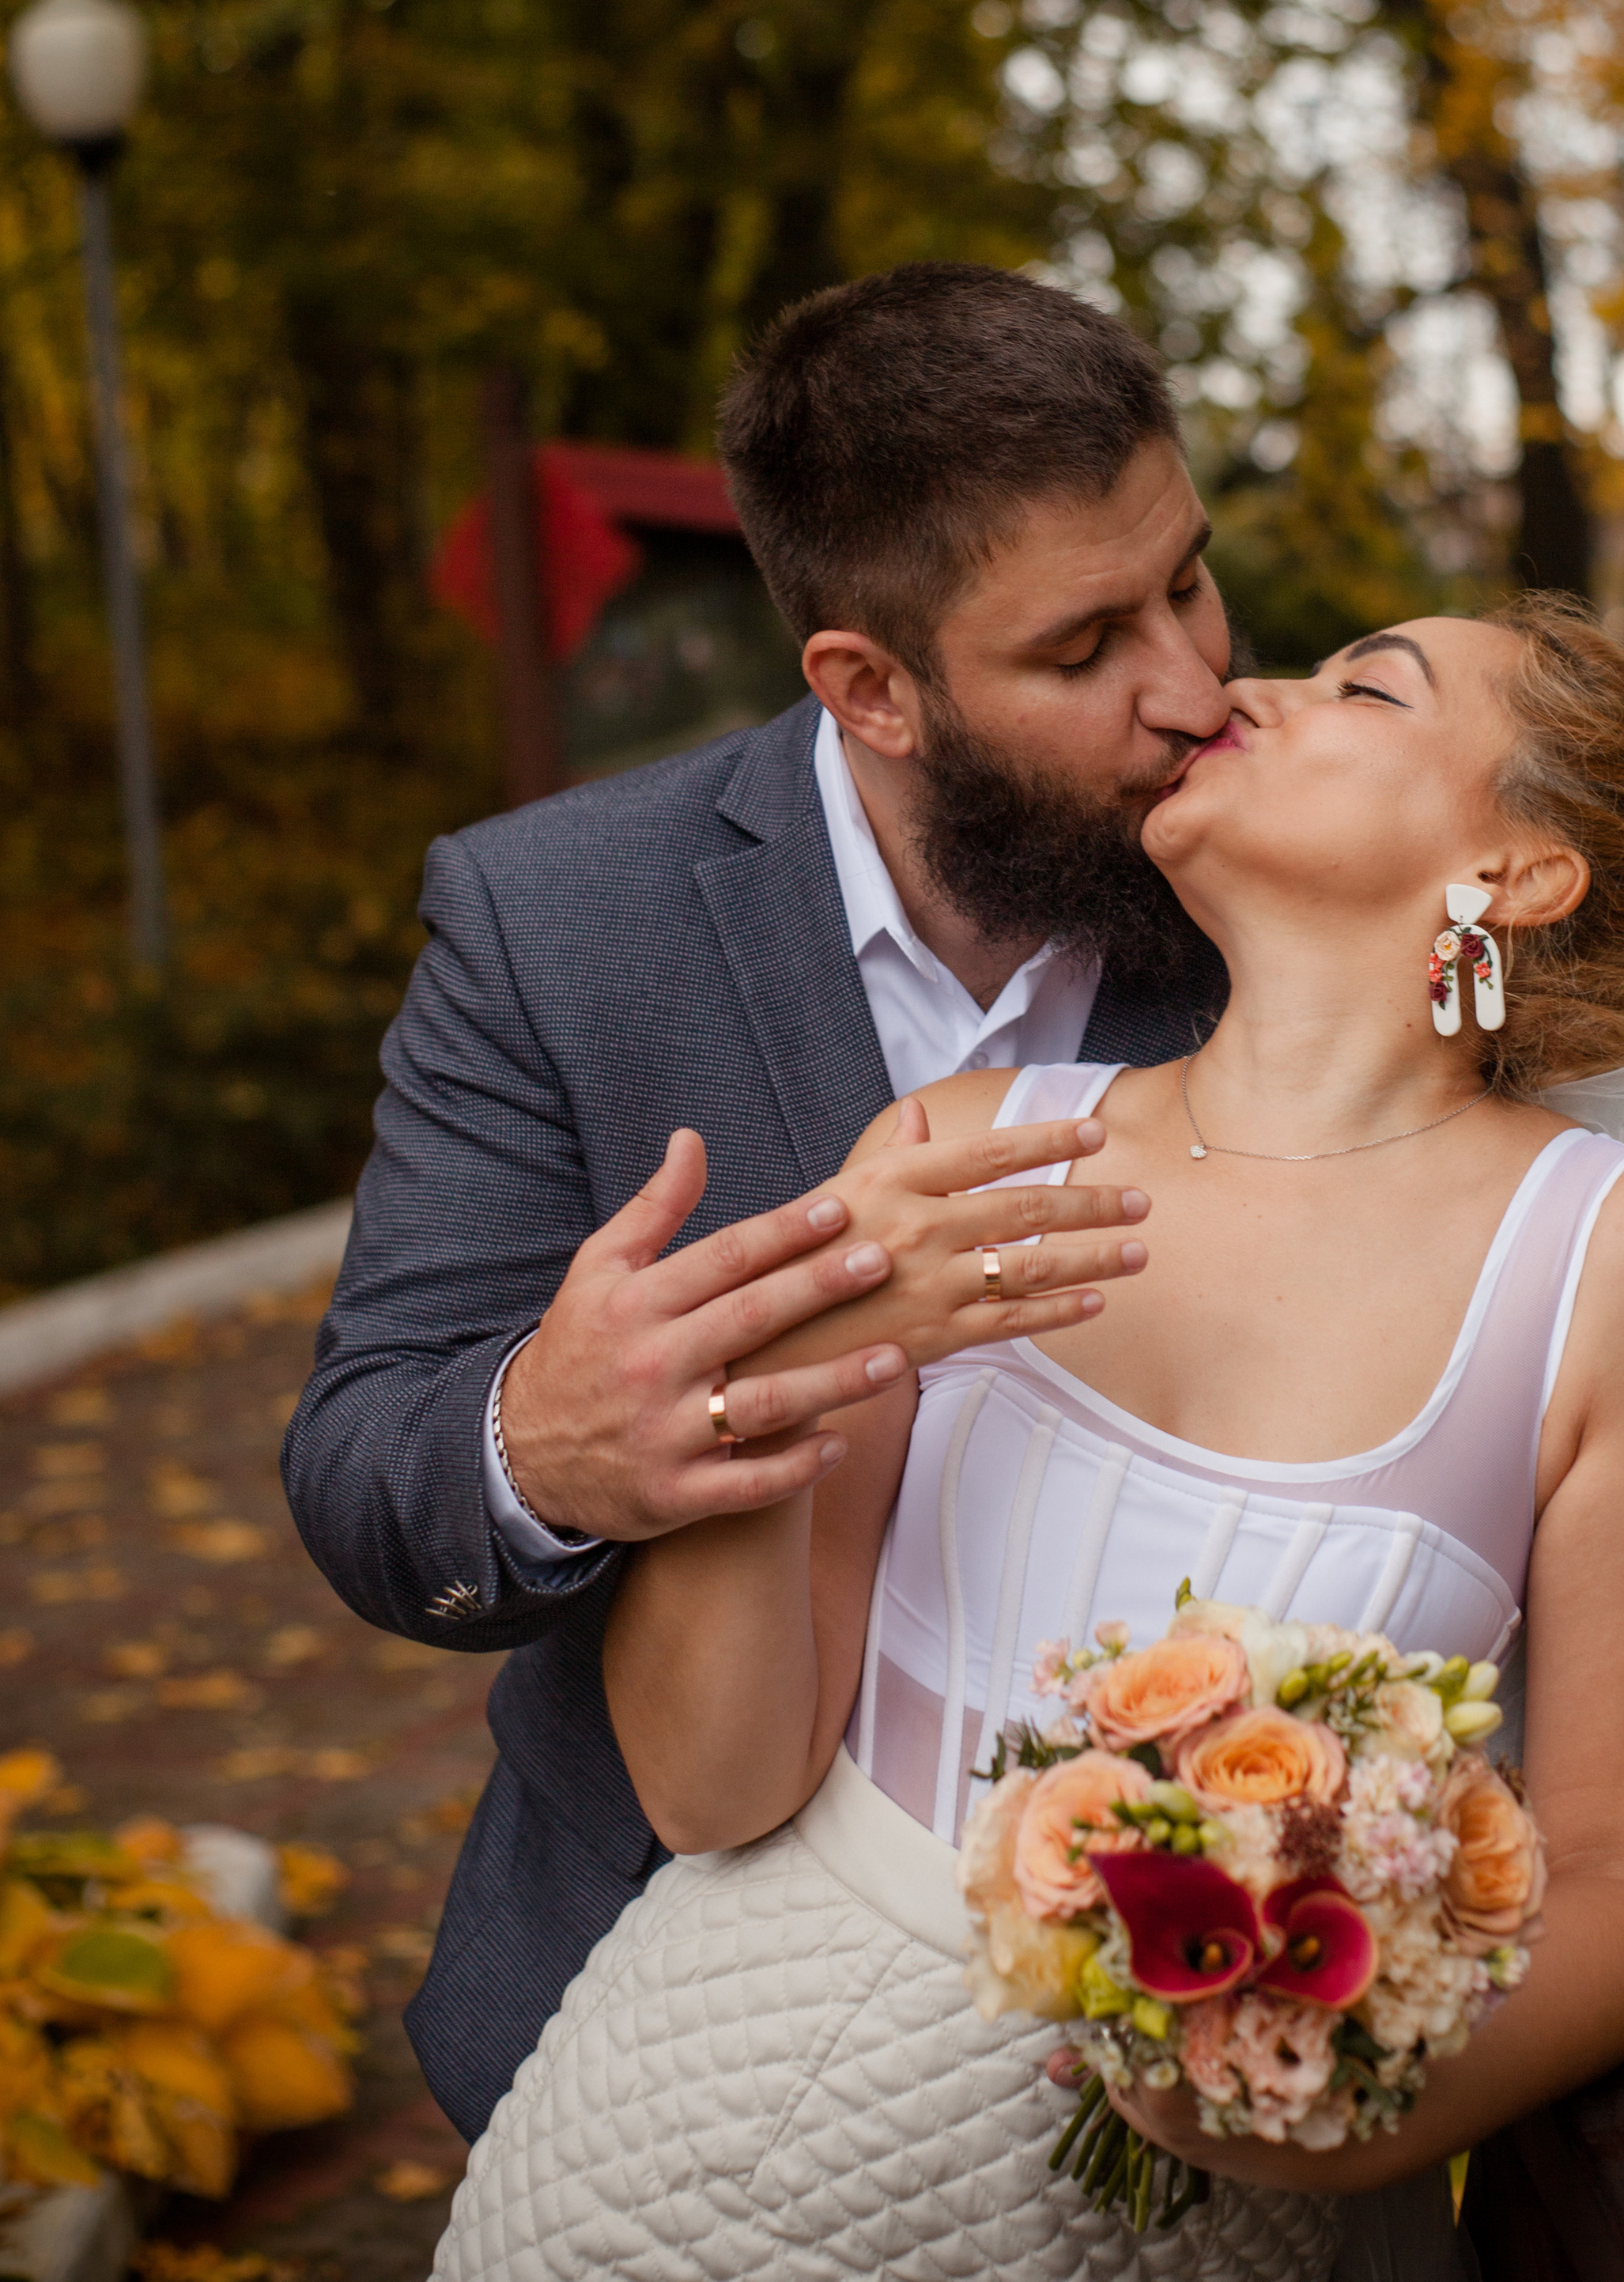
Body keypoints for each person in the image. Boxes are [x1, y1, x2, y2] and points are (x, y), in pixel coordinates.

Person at [432, 601, 1624, 2280]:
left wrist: (1354, 2100)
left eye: (1361, 688)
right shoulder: (955, 1156)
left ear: (1517, 872)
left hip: (1205, 2233)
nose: (1230, 693)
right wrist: (794, 1363)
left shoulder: (1609, 1266)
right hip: (665, 2141)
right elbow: (708, 1783)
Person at [282, 265, 1242, 2140]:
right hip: (649, 2016)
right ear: (867, 689)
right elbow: (365, 1458)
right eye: (1082, 649)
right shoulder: (549, 921)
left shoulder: (1286, 860)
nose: (1192, 692)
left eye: (1190, 580)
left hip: (1173, 2038)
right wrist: (542, 1448)